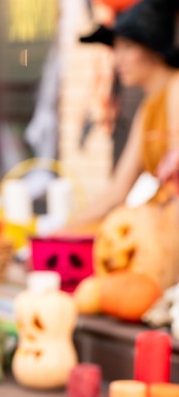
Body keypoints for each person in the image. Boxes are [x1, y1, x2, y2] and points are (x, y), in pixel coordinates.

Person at [68, 0, 179, 230]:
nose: (118, 59)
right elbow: (117, 191)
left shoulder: (176, 89)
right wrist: (67, 229)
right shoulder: (148, 107)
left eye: (127, 47)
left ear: (154, 47)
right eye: (115, 48)